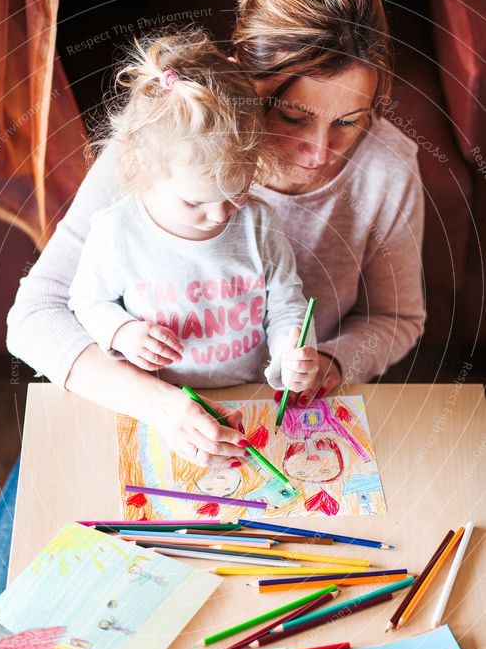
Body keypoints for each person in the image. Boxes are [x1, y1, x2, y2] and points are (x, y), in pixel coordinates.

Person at [0, 0, 425, 611]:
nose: (319, 151)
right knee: (10, 595)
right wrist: (156, 403)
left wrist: (330, 360)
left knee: (257, 605)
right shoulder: (167, 141)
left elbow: (397, 319)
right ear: (244, 82)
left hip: (277, 431)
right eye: (293, 117)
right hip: (133, 404)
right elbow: (36, 314)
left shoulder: (387, 170)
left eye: (348, 121)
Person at [67, 29, 318, 459]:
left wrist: (291, 352)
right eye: (194, 202)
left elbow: (287, 304)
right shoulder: (117, 231)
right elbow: (86, 301)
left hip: (250, 396)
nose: (221, 215)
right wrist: (123, 332)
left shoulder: (258, 222)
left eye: (236, 192)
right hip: (154, 406)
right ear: (143, 169)